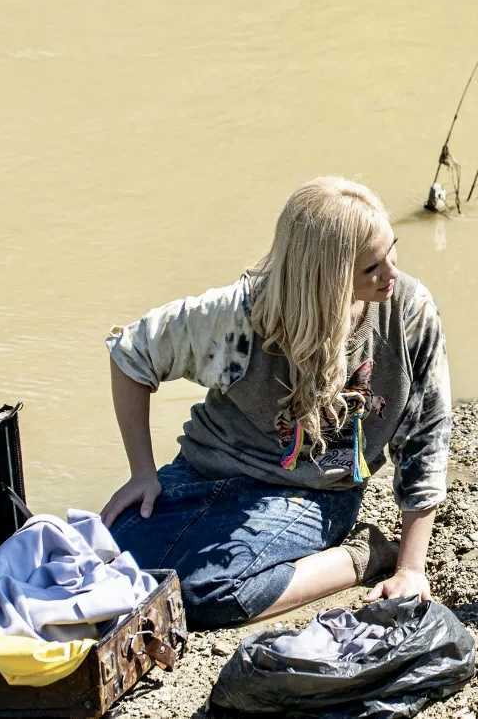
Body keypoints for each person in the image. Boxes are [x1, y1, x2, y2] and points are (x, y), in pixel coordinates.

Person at [100, 177, 451, 628]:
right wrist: (142, 473)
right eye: (371, 268)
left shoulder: (409, 313)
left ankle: (363, 555)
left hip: (310, 491)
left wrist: (410, 568)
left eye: (392, 252)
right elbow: (132, 352)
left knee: (201, 597)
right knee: (109, 569)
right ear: (324, 278)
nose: (391, 274)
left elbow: (426, 440)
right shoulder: (243, 313)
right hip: (203, 473)